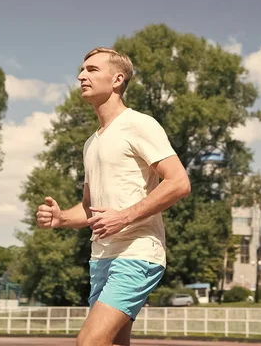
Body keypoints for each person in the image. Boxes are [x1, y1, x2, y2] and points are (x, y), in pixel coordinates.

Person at [36, 47, 191, 346]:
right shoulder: (91, 143)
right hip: (101, 258)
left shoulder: (139, 124)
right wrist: (62, 218)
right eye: (81, 70)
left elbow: (179, 182)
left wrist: (124, 216)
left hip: (137, 253)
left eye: (92, 70)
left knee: (90, 341)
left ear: (117, 79)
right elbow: (89, 209)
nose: (82, 76)